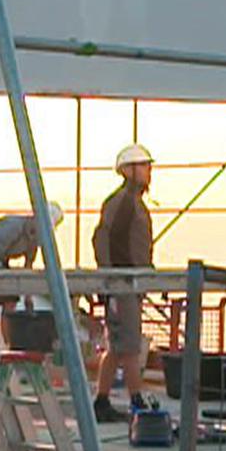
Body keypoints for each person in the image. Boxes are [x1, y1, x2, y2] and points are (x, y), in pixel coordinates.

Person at [89, 144, 157, 424]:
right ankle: (136, 401)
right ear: (128, 171)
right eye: (143, 166)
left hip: (129, 282)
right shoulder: (122, 202)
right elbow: (102, 238)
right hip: (122, 283)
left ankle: (102, 401)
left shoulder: (133, 202)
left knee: (118, 348)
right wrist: (111, 278)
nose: (149, 172)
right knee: (129, 344)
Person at [0, 205, 63, 353]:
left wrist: (28, 296)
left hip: (0, 261)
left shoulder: (36, 239)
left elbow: (28, 266)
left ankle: (7, 343)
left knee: (11, 301)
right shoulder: (13, 228)